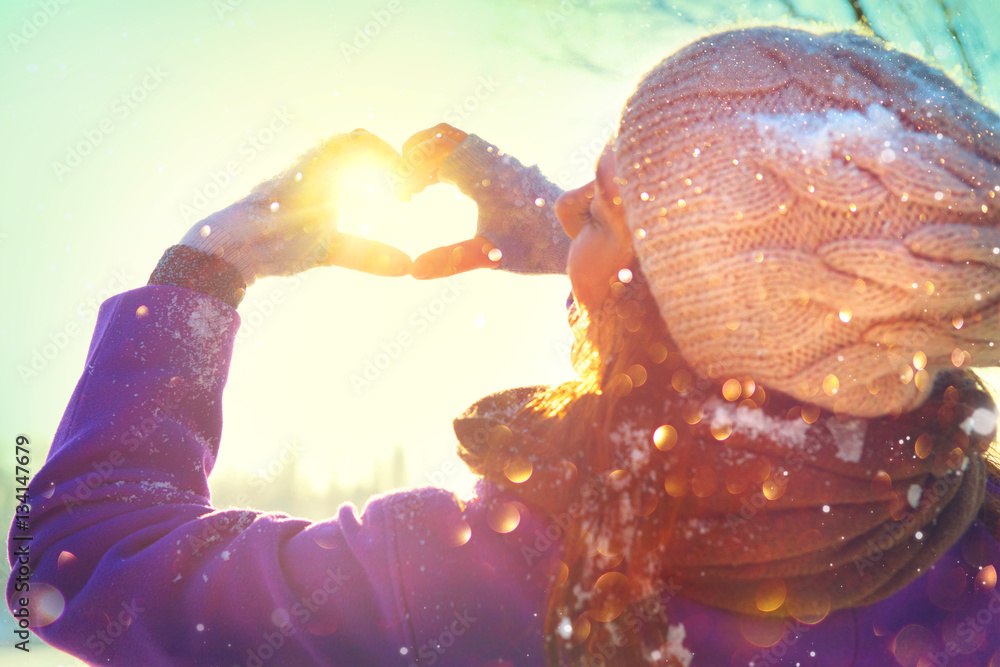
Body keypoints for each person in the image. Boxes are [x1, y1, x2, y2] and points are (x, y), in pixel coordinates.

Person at [8, 25, 1000, 667]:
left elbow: (81, 560)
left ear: (663, 313)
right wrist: (599, 253)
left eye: (610, 207)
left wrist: (202, 272)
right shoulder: (970, 552)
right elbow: (750, 329)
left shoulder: (473, 580)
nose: (567, 197)